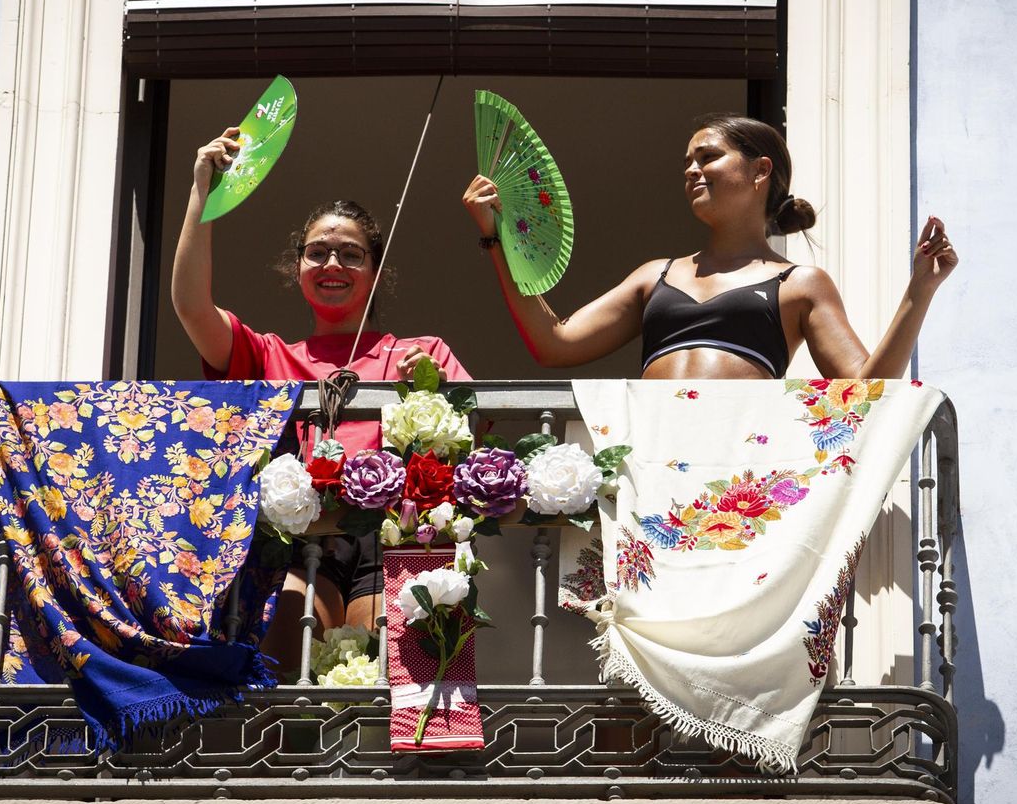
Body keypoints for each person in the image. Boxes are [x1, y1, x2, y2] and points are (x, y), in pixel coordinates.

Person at [172, 126, 472, 658]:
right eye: (318, 253)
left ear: (376, 274)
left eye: (351, 254)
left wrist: (432, 387)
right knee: (289, 656)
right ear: (298, 269)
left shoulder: (423, 352)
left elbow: (474, 433)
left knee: (390, 673)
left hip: (396, 535)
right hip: (302, 537)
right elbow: (193, 307)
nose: (333, 264)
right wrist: (202, 192)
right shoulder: (266, 355)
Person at [461, 113, 958, 379]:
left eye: (709, 156)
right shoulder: (653, 275)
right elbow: (555, 344)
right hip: (652, 470)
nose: (691, 170)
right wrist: (496, 237)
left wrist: (920, 291)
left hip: (741, 482)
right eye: (687, 162)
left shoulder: (799, 283)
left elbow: (864, 391)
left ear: (760, 171)